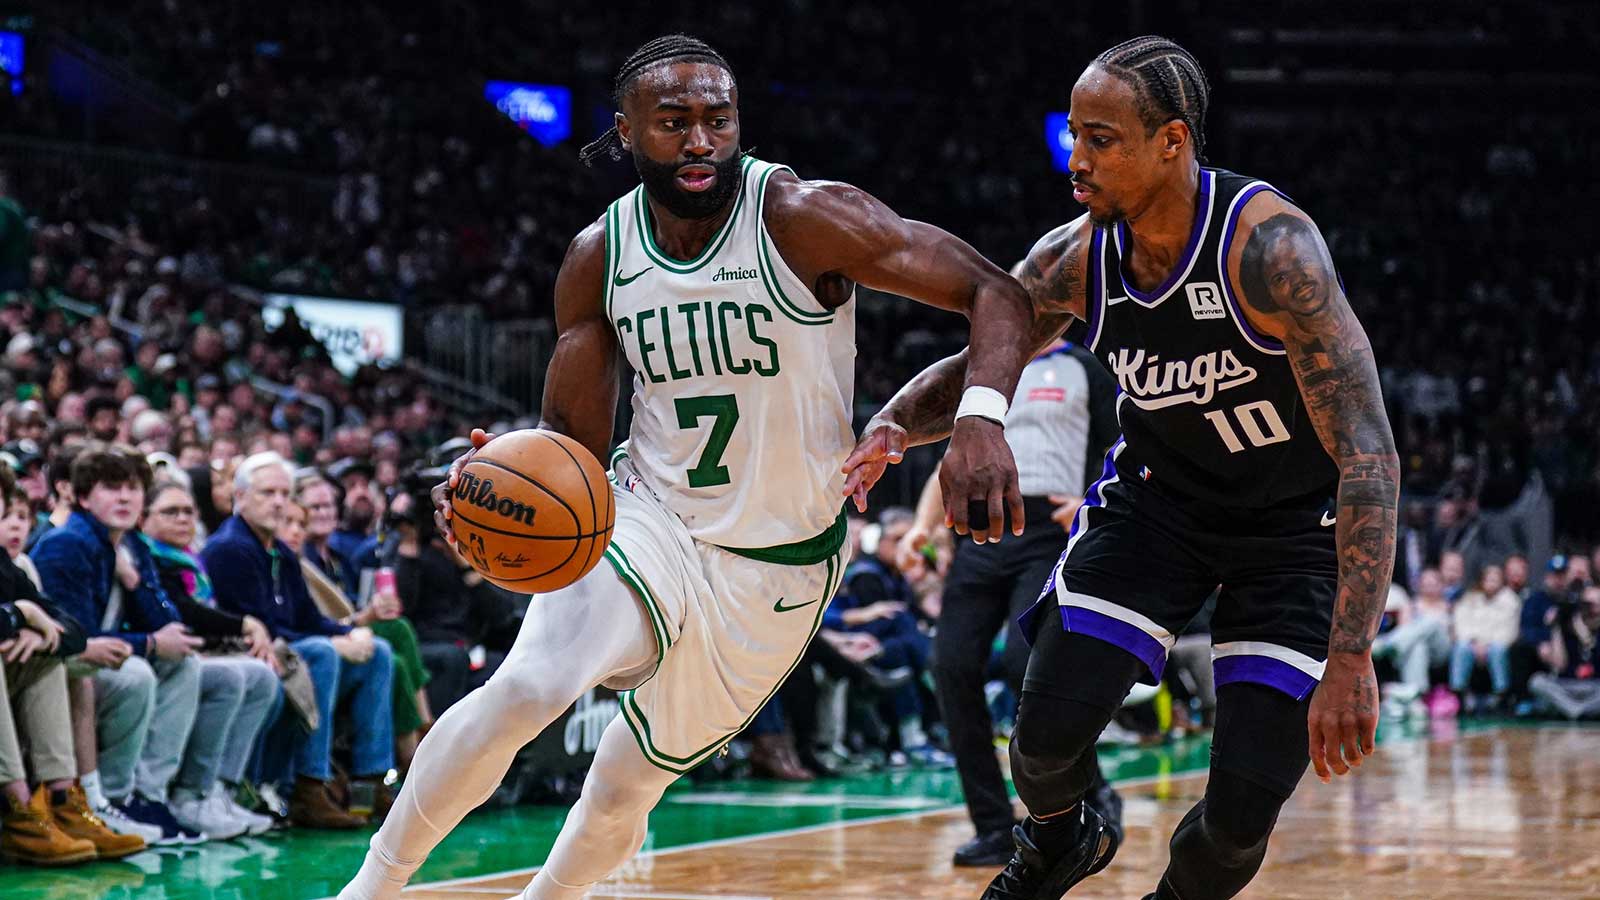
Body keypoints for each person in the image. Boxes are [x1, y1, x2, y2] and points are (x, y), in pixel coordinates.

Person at [339, 33, 1033, 900]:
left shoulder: (802, 216)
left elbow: (996, 292)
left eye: (718, 119)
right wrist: (495, 502)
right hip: (649, 515)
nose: (701, 141)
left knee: (625, 785)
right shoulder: (600, 254)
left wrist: (980, 420)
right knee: (532, 683)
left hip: (778, 565)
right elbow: (569, 446)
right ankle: (368, 889)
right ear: (625, 131)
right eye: (674, 122)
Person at [845, 36, 1398, 900]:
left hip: (1293, 531)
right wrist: (893, 423)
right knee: (1041, 739)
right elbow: (987, 355)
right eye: (1074, 134)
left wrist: (1353, 655)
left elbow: (1369, 451)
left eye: (1102, 138)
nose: (1078, 157)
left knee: (1240, 819)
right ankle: (1061, 842)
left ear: (1172, 141)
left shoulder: (1272, 250)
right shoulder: (1077, 256)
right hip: (1157, 508)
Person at [899, 335, 1124, 867]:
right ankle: (995, 828)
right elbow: (947, 463)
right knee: (950, 666)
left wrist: (1096, 495)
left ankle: (1088, 795)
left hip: (1049, 528)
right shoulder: (981, 371)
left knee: (1033, 668)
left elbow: (1128, 442)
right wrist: (920, 529)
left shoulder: (1085, 366)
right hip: (979, 531)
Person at [203, 452, 394, 829]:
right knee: (321, 653)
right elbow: (264, 628)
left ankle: (369, 784)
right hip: (251, 654)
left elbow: (308, 617)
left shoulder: (278, 549)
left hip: (289, 651)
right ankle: (309, 786)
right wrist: (336, 643)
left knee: (378, 652)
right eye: (267, 492)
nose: (277, 501)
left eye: (283, 493)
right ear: (240, 497)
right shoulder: (230, 548)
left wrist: (349, 632)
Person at [31, 442, 208, 845]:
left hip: (96, 663)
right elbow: (76, 638)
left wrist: (132, 580)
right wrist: (146, 643)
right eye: (111, 487)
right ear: (81, 495)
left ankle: (148, 794)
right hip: (60, 670)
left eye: (133, 487)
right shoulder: (69, 544)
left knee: (186, 664)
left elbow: (169, 626)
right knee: (134, 675)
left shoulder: (127, 544)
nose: (126, 496)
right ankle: (110, 797)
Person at [139, 479, 279, 837]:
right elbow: (183, 612)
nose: (183, 519)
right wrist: (243, 625)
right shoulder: (147, 557)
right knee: (233, 678)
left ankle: (221, 789)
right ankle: (190, 792)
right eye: (171, 512)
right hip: (158, 652)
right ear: (144, 518)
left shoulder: (189, 560)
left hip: (193, 650)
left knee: (261, 674)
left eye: (188, 511)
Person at [1448, 563, 1520, 713]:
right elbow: (1460, 623)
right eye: (1488, 579)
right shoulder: (1470, 598)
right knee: (1461, 647)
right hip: (1473, 643)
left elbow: (1510, 630)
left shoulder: (1511, 600)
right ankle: (1459, 693)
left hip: (1496, 643)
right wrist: (1474, 642)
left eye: (1495, 580)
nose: (1491, 583)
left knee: (1498, 650)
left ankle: (1500, 695)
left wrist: (1486, 645)